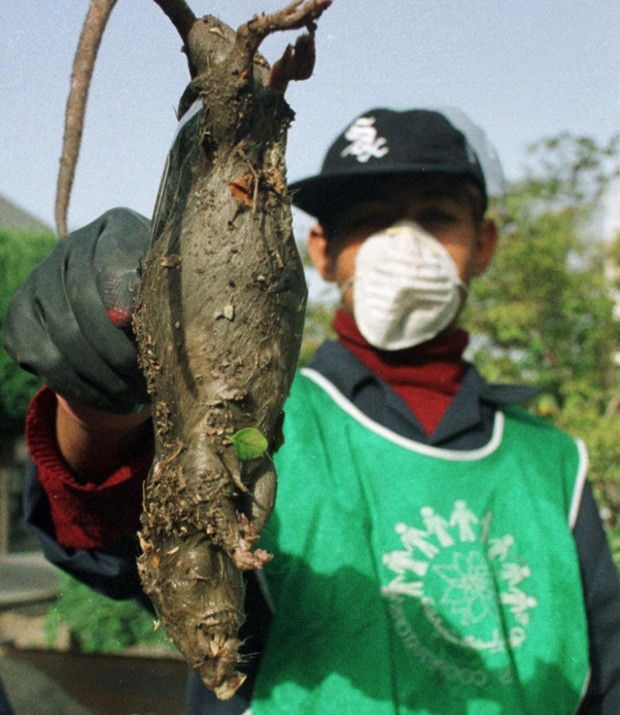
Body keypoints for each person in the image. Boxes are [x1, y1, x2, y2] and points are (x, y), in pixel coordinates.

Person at [5, 107, 620, 714]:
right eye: (371, 222)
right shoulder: (259, 422)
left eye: (436, 217)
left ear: (483, 244)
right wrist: (102, 411)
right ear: (320, 252)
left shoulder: (553, 463)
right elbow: (112, 541)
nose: (404, 248)